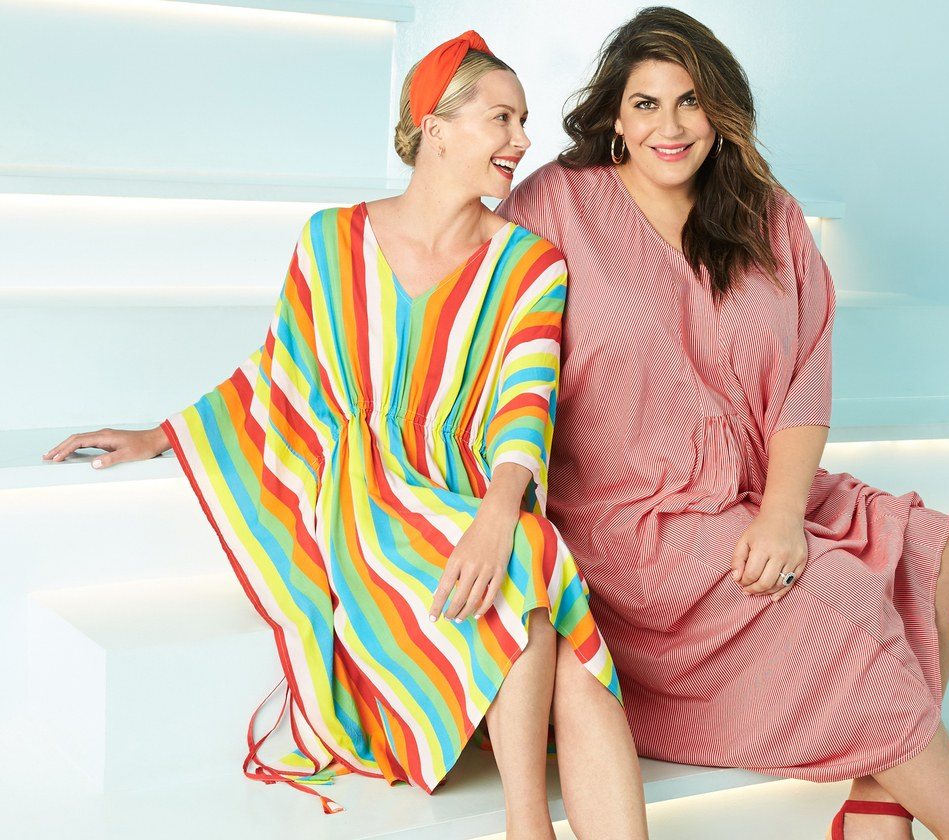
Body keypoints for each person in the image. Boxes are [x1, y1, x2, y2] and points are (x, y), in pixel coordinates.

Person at [43, 32, 649, 838]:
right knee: (539, 574)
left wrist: (502, 507)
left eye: (524, 121)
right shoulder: (331, 239)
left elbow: (524, 397)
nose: (522, 140)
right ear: (436, 128)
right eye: (502, 119)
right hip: (363, 493)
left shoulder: (531, 264)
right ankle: (526, 824)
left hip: (465, 485)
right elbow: (279, 370)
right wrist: (162, 435)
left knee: (535, 573)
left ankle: (523, 827)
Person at [497, 7, 949, 840]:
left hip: (760, 486)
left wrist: (781, 512)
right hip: (635, 519)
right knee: (842, 599)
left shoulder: (766, 211)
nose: (670, 126)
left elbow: (807, 375)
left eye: (690, 101)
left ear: (721, 110)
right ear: (615, 118)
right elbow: (492, 353)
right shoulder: (557, 205)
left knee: (938, 554)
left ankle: (881, 806)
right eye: (645, 104)